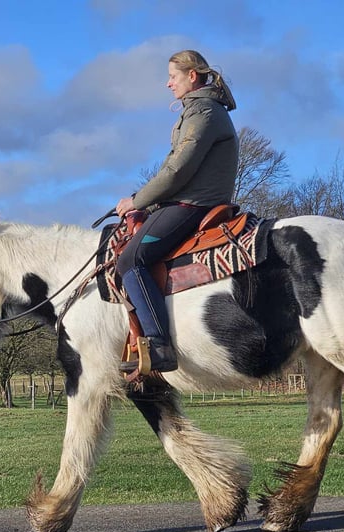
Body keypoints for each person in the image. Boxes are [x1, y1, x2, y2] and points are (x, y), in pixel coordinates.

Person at [115, 49, 239, 373]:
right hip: (186, 200)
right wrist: (143, 200)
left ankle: (159, 345)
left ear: (191, 76)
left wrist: (138, 201)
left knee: (130, 259)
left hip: (194, 204)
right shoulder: (197, 111)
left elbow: (177, 171)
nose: (168, 83)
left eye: (173, 76)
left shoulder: (205, 113)